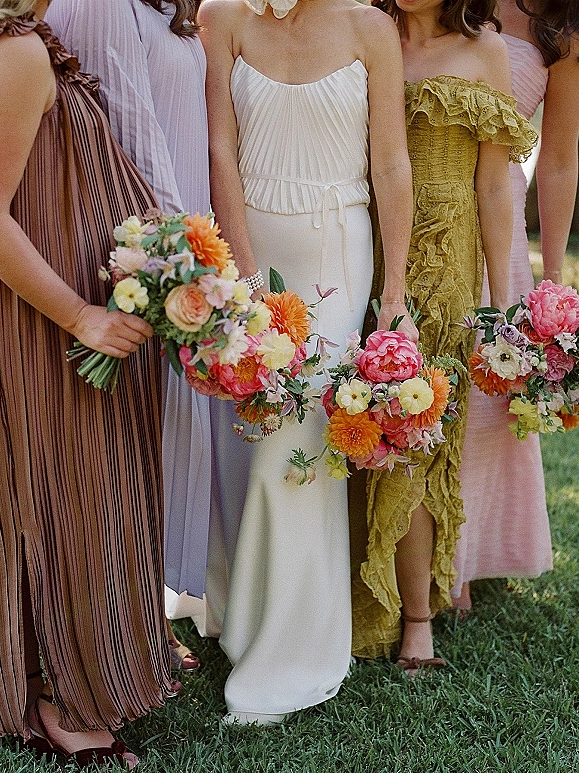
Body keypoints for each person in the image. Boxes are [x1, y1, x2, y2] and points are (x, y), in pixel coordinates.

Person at [199, 0, 416, 723]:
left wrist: (394, 292)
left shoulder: (370, 28)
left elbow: (389, 161)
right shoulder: (222, 15)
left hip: (335, 257)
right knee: (248, 436)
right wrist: (246, 279)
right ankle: (241, 615)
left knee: (295, 445)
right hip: (250, 247)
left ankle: (292, 649)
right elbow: (220, 149)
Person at [0, 0, 175, 766]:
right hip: (47, 325)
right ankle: (57, 697)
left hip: (58, 316)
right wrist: (80, 317)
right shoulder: (17, 52)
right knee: (65, 494)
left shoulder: (31, 40)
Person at [46, 0, 242, 658]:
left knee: (161, 427)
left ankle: (148, 611)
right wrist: (185, 254)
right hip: (139, 241)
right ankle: (127, 622)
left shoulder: (161, 6)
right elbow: (129, 128)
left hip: (176, 233)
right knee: (133, 433)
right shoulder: (103, 4)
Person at [350, 0, 537, 672]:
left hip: (448, 268)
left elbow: (493, 186)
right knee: (355, 423)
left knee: (418, 434)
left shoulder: (486, 51)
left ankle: (418, 618)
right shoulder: (364, 31)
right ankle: (345, 597)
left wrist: (503, 306)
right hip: (360, 249)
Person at [453, 0, 579, 613]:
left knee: (484, 378)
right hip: (420, 190)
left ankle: (465, 556)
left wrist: (553, 280)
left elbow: (557, 159)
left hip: (499, 211)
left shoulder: (565, 27)